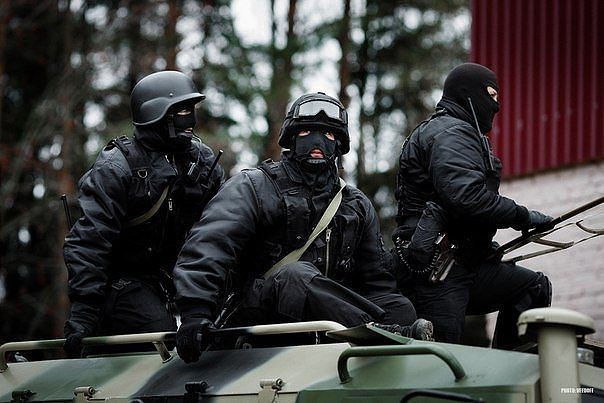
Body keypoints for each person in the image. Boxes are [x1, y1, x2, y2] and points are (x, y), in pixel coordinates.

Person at [173, 92, 432, 363]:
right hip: (257, 315)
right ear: (291, 138)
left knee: (399, 308)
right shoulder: (254, 186)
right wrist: (195, 312)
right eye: (307, 132)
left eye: (328, 135)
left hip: (328, 320)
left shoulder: (354, 204)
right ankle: (379, 334)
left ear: (339, 144)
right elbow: (209, 245)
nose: (317, 142)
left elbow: (377, 281)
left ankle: (385, 336)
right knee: (296, 275)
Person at [63, 70, 225, 357]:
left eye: (192, 110)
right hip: (124, 281)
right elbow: (89, 242)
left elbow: (222, 228)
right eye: (181, 111)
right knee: (160, 336)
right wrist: (84, 314)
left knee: (223, 329)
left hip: (183, 276)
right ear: (156, 114)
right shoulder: (117, 167)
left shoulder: (201, 161)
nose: (190, 120)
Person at [393, 63, 553, 349]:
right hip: (437, 271)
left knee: (532, 288)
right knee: (439, 357)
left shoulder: (455, 132)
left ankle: (511, 372)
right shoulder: (451, 133)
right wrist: (523, 216)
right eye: (491, 95)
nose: (497, 105)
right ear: (468, 94)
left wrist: (482, 245)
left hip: (465, 264)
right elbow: (468, 198)